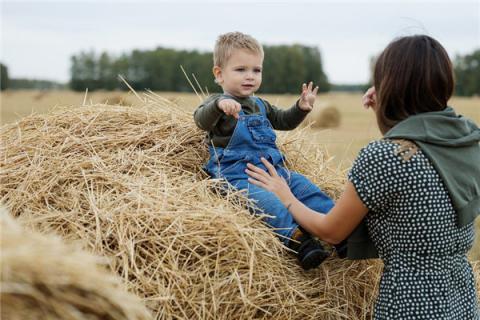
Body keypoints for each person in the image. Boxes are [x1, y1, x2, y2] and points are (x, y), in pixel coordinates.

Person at [246, 35, 480, 319]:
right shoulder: (466, 141)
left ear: (389, 85)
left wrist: (285, 195)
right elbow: (413, 147)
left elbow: (332, 231)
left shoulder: (383, 157)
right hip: (462, 300)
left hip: (409, 306)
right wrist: (391, 106)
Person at [193, 31, 345, 270]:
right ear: (219, 74)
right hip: (239, 176)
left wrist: (301, 107)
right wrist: (219, 105)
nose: (250, 76)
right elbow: (200, 120)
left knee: (307, 190)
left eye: (256, 70)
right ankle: (300, 242)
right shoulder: (217, 103)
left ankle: (341, 232)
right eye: (241, 70)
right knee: (268, 204)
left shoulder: (260, 105)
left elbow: (284, 121)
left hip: (275, 171)